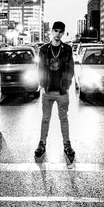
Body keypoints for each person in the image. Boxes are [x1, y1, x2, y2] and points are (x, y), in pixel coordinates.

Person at [35, 21, 75, 158]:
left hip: (62, 91)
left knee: (63, 118)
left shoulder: (67, 49)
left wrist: (67, 85)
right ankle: (42, 143)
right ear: (52, 31)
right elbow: (40, 68)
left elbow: (70, 69)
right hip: (47, 91)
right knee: (45, 118)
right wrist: (42, 84)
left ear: (63, 33)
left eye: (60, 31)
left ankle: (67, 144)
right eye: (55, 31)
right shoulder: (44, 49)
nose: (58, 34)